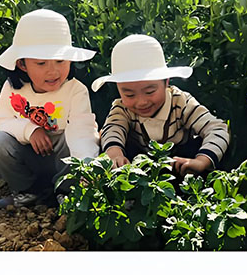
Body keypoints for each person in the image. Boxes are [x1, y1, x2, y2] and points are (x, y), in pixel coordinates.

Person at [0, 9, 99, 208]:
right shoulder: (13, 89)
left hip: (64, 159)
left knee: (75, 137)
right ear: (22, 64)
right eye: (41, 63)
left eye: (60, 61)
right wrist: (31, 130)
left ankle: (66, 192)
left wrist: (86, 170)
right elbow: (1, 121)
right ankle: (29, 192)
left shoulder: (76, 90)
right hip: (31, 158)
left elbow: (83, 133)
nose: (53, 71)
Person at [92, 34, 230, 176]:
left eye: (150, 91)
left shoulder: (181, 102)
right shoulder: (122, 108)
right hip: (140, 172)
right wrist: (115, 155)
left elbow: (217, 128)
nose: (142, 102)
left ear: (166, 82)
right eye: (129, 95)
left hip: (181, 169)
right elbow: (112, 129)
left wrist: (202, 161)